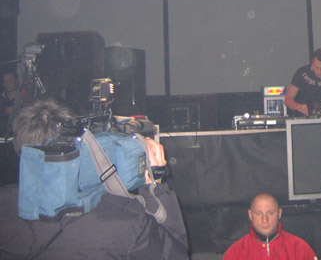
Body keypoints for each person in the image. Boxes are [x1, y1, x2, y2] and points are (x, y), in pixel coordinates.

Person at [0, 98, 189, 260]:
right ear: (80, 145)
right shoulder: (126, 219)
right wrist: (156, 185)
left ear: (19, 147)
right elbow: (175, 254)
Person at [223, 192, 317, 260]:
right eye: (258, 213)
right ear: (250, 215)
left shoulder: (299, 248)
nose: (265, 220)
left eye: (270, 213)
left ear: (279, 213)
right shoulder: (235, 253)